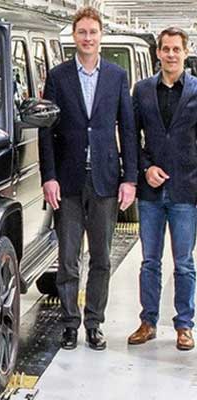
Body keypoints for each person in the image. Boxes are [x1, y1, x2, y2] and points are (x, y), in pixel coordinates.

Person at [38, 7, 137, 351]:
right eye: (82, 32)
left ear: (101, 36)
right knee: (68, 258)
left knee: (101, 258)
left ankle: (94, 323)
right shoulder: (58, 76)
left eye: (93, 32)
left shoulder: (117, 76)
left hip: (105, 179)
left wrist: (129, 178)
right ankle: (70, 323)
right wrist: (49, 176)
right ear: (74, 35)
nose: (88, 38)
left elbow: (127, 128)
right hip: (67, 179)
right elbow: (46, 130)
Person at [127, 27, 197, 351]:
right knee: (150, 262)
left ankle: (184, 325)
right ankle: (148, 322)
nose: (170, 54)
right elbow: (132, 138)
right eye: (165, 49)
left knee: (184, 263)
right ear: (157, 53)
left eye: (176, 49)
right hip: (151, 192)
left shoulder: (196, 90)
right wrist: (145, 168)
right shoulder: (142, 90)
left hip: (185, 190)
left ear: (185, 52)